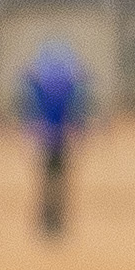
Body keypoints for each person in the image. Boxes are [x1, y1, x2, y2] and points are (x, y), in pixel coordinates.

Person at [23, 29, 91, 240]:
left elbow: (29, 106)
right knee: (58, 180)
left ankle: (47, 221)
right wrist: (79, 131)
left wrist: (30, 129)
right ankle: (56, 221)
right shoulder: (72, 79)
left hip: (46, 136)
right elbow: (78, 107)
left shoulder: (37, 79)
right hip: (60, 136)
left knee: (46, 180)